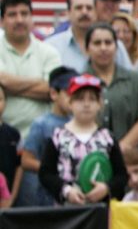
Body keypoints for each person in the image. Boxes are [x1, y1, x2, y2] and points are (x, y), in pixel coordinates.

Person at [38, 74, 127, 204]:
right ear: (70, 102)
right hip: (67, 211)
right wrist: (66, 190)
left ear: (99, 104)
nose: (86, 104)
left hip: (99, 210)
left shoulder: (107, 138)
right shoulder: (58, 137)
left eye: (92, 99)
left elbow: (121, 175)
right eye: (80, 99)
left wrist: (106, 188)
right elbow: (45, 174)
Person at [83, 23, 138, 153]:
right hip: (90, 156)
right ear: (87, 49)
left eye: (108, 43)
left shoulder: (135, 79)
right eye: (97, 43)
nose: (103, 48)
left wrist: (119, 149)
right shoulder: (79, 81)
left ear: (116, 47)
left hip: (130, 157)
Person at [0, 0, 61, 140]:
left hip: (40, 140)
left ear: (31, 18)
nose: (19, 20)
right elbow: (46, 89)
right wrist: (38, 83)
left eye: (24, 13)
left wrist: (7, 86)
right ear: (2, 21)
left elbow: (54, 91)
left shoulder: (49, 52)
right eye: (12, 15)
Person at [16, 66, 75, 207]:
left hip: (73, 194)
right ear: (54, 94)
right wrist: (55, 170)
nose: (74, 98)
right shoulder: (41, 124)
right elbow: (26, 161)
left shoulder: (79, 122)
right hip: (46, 195)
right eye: (69, 93)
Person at [46, 0, 134, 72]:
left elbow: (131, 82)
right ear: (68, 13)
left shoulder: (116, 46)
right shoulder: (52, 46)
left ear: (96, 12)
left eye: (89, 8)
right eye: (79, 8)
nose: (84, 12)